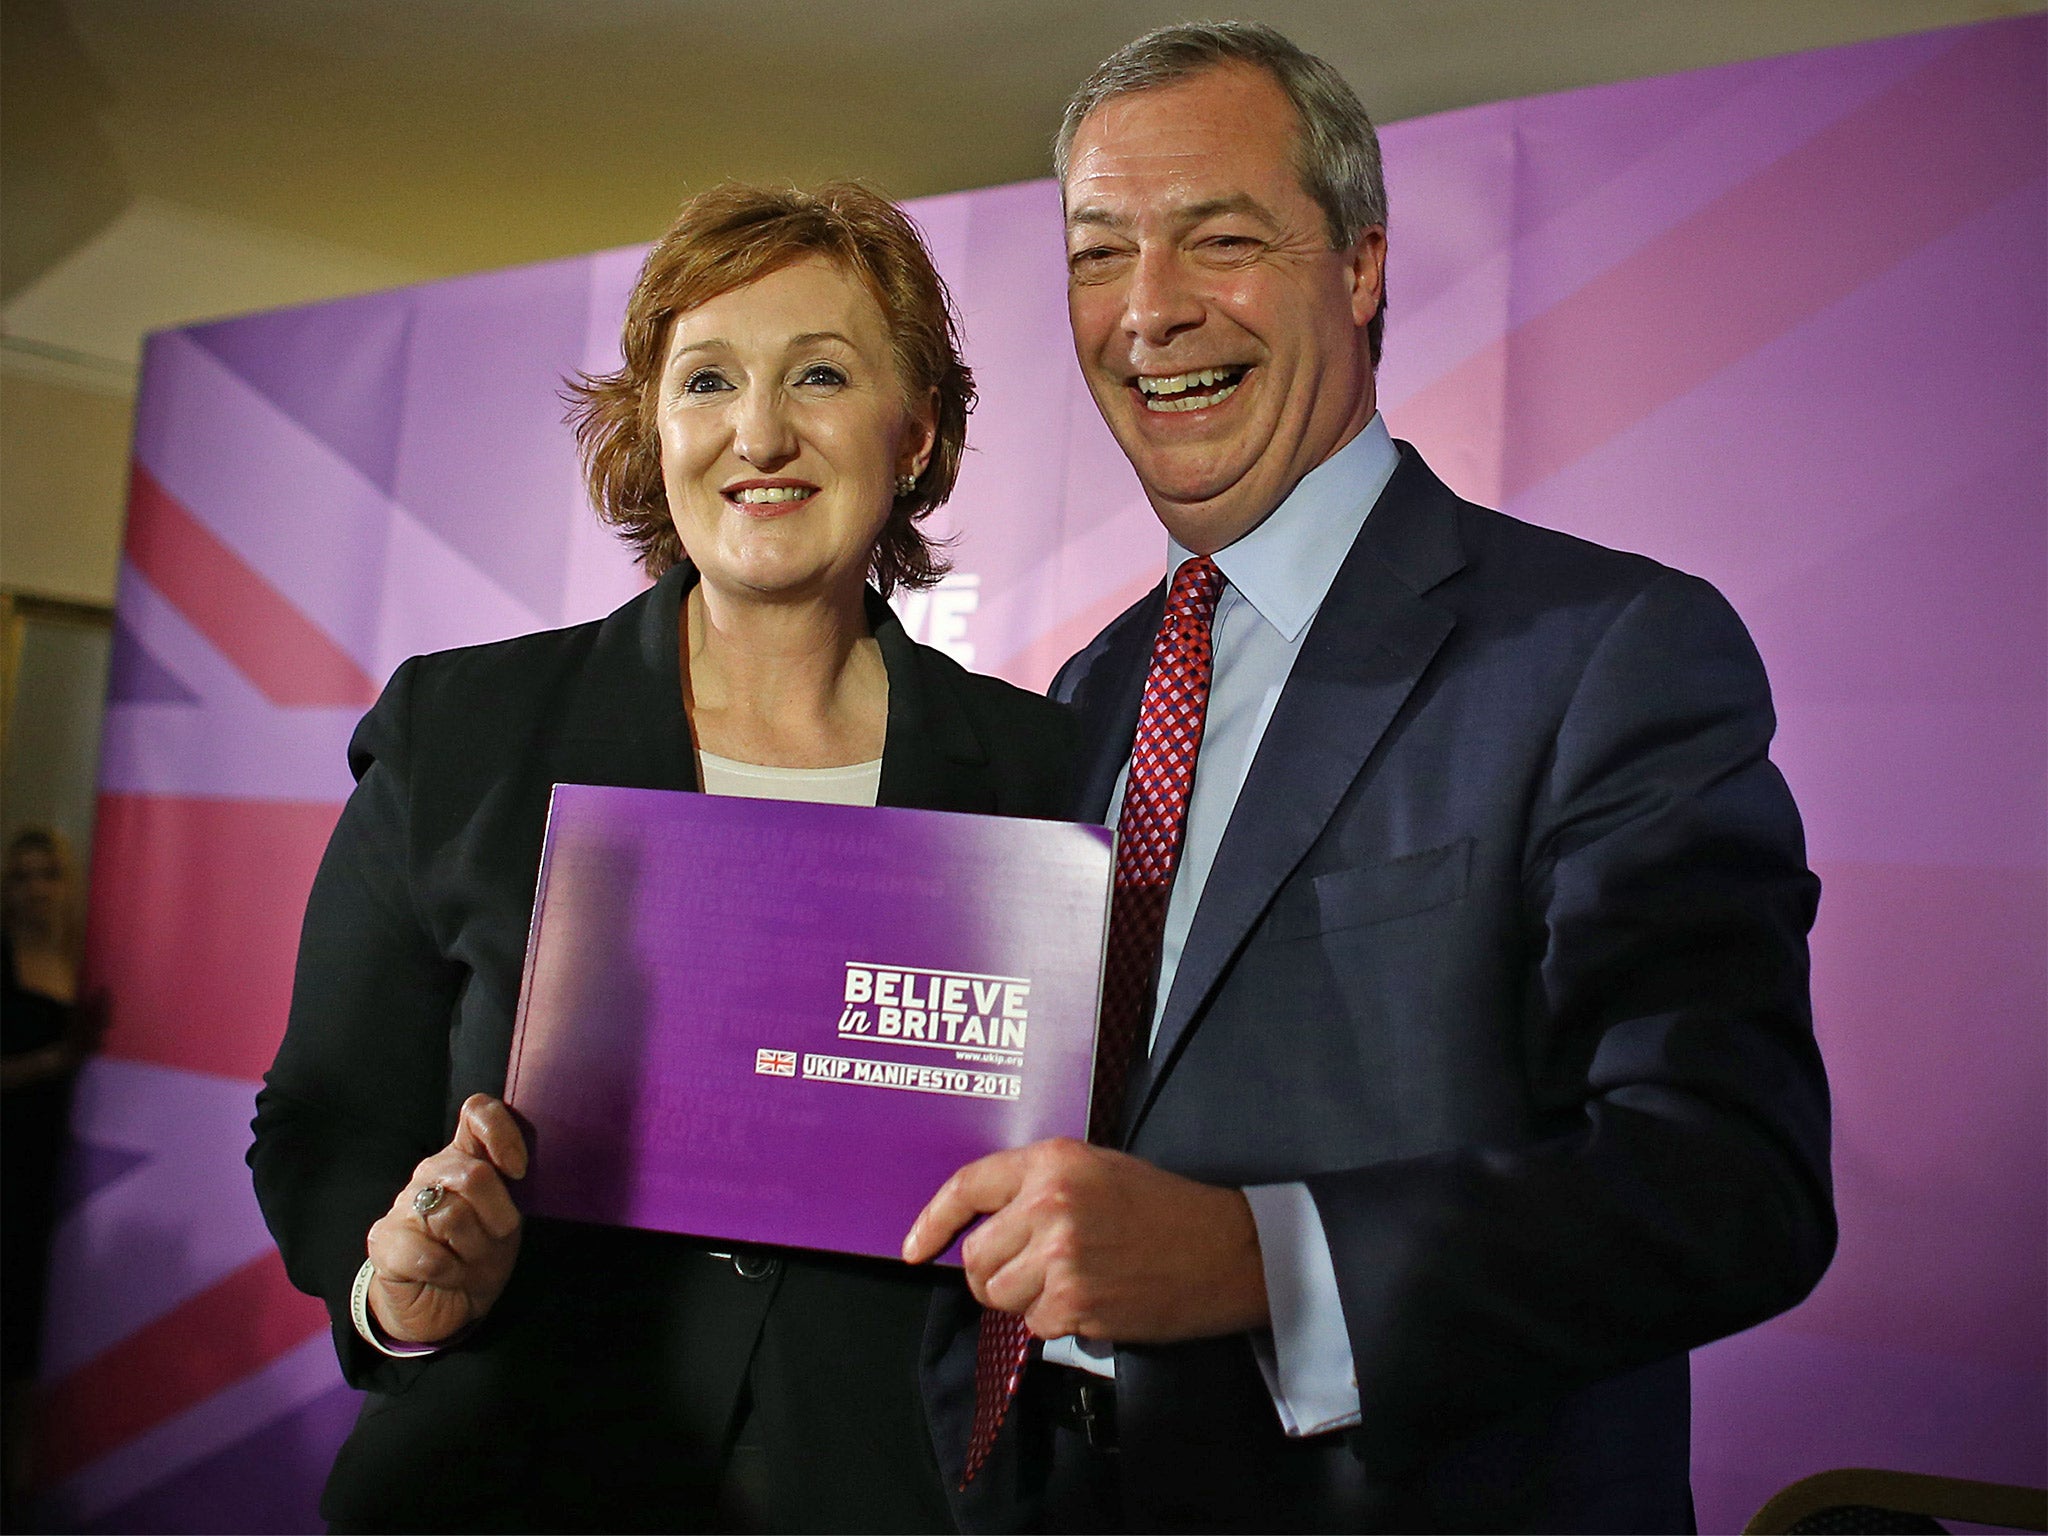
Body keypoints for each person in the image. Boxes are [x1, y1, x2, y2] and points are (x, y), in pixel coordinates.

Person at [906, 22, 1834, 1533]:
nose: (1149, 309)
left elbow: (1729, 1181)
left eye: (1221, 238)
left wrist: (1253, 1265)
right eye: (1099, 252)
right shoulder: (1078, 702)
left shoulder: (1611, 652)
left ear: (1359, 268)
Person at [249, 181, 1077, 1533]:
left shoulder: (1046, 776)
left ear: (916, 432)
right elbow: (323, 1117)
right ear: (655, 431)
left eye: (820, 373)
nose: (760, 432)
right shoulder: (462, 730)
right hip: (506, 1485)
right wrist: (396, 1283)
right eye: (707, 380)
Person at [2, 826, 98, 1526]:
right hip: (6, 1165)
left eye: (48, 875)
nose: (36, 888)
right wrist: (54, 1062)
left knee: (43, 1334)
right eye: (22, 875)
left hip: (67, 1174)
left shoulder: (88, 954)